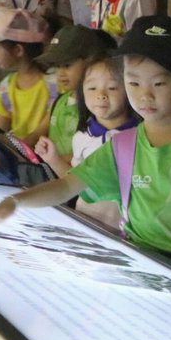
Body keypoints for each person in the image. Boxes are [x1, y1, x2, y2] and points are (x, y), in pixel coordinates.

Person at [0, 16, 171, 283]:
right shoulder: (122, 145)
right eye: (133, 82)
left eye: (159, 83)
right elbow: (67, 185)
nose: (145, 95)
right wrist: (16, 201)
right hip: (142, 264)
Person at [37, 53, 139, 231]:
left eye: (112, 88)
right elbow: (74, 183)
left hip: (125, 232)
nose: (101, 95)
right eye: (92, 88)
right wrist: (53, 159)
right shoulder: (82, 137)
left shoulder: (141, 137)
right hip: (84, 224)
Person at [0, 9, 57, 145]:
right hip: (22, 153)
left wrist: (20, 148)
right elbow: (0, 130)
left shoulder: (54, 84)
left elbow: (41, 130)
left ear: (18, 50)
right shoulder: (6, 87)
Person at [33, 24, 113, 163]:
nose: (60, 73)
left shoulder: (98, 106)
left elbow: (93, 152)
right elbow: (36, 134)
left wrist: (52, 161)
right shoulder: (59, 102)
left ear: (92, 61)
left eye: (67, 65)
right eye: (57, 66)